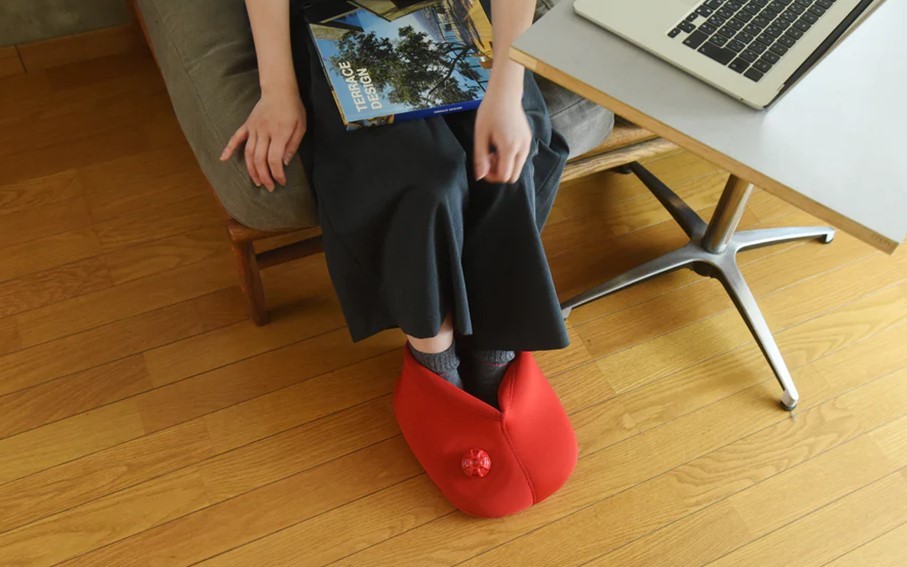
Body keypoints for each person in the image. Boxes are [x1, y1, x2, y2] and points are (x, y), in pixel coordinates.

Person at [221, 0, 571, 410]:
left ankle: (494, 359)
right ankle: (436, 366)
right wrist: (278, 90)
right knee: (424, 180)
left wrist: (507, 93)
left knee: (505, 161)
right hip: (335, 13)